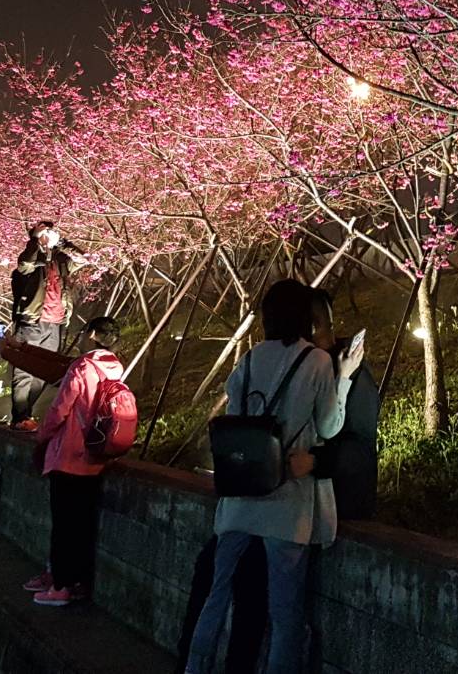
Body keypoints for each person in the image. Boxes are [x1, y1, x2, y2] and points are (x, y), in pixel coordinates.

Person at [184, 280, 363, 674]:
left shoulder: (248, 360)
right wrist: (344, 375)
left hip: (238, 497)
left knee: (215, 597)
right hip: (285, 501)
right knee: (285, 614)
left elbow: (239, 407)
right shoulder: (316, 361)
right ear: (305, 317)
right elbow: (330, 427)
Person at [23, 315, 125, 607]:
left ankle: (60, 585)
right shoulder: (115, 367)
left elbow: (60, 408)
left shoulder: (82, 366)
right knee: (82, 525)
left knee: (63, 524)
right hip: (95, 458)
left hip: (68, 457)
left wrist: (42, 435)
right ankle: (77, 582)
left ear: (91, 334)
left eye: (83, 333)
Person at [307, 289, 380, 521]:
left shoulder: (350, 371)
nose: (330, 337)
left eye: (330, 326)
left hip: (341, 502)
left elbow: (357, 447)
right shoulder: (305, 367)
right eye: (324, 327)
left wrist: (315, 462)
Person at [9, 220, 88, 430]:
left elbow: (83, 259)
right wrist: (36, 240)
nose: (47, 234)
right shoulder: (31, 262)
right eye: (42, 231)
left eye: (49, 230)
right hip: (33, 321)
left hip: (56, 323)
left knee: (43, 373)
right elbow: (24, 263)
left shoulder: (60, 261)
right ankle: (19, 418)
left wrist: (62, 242)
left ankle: (26, 414)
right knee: (24, 370)